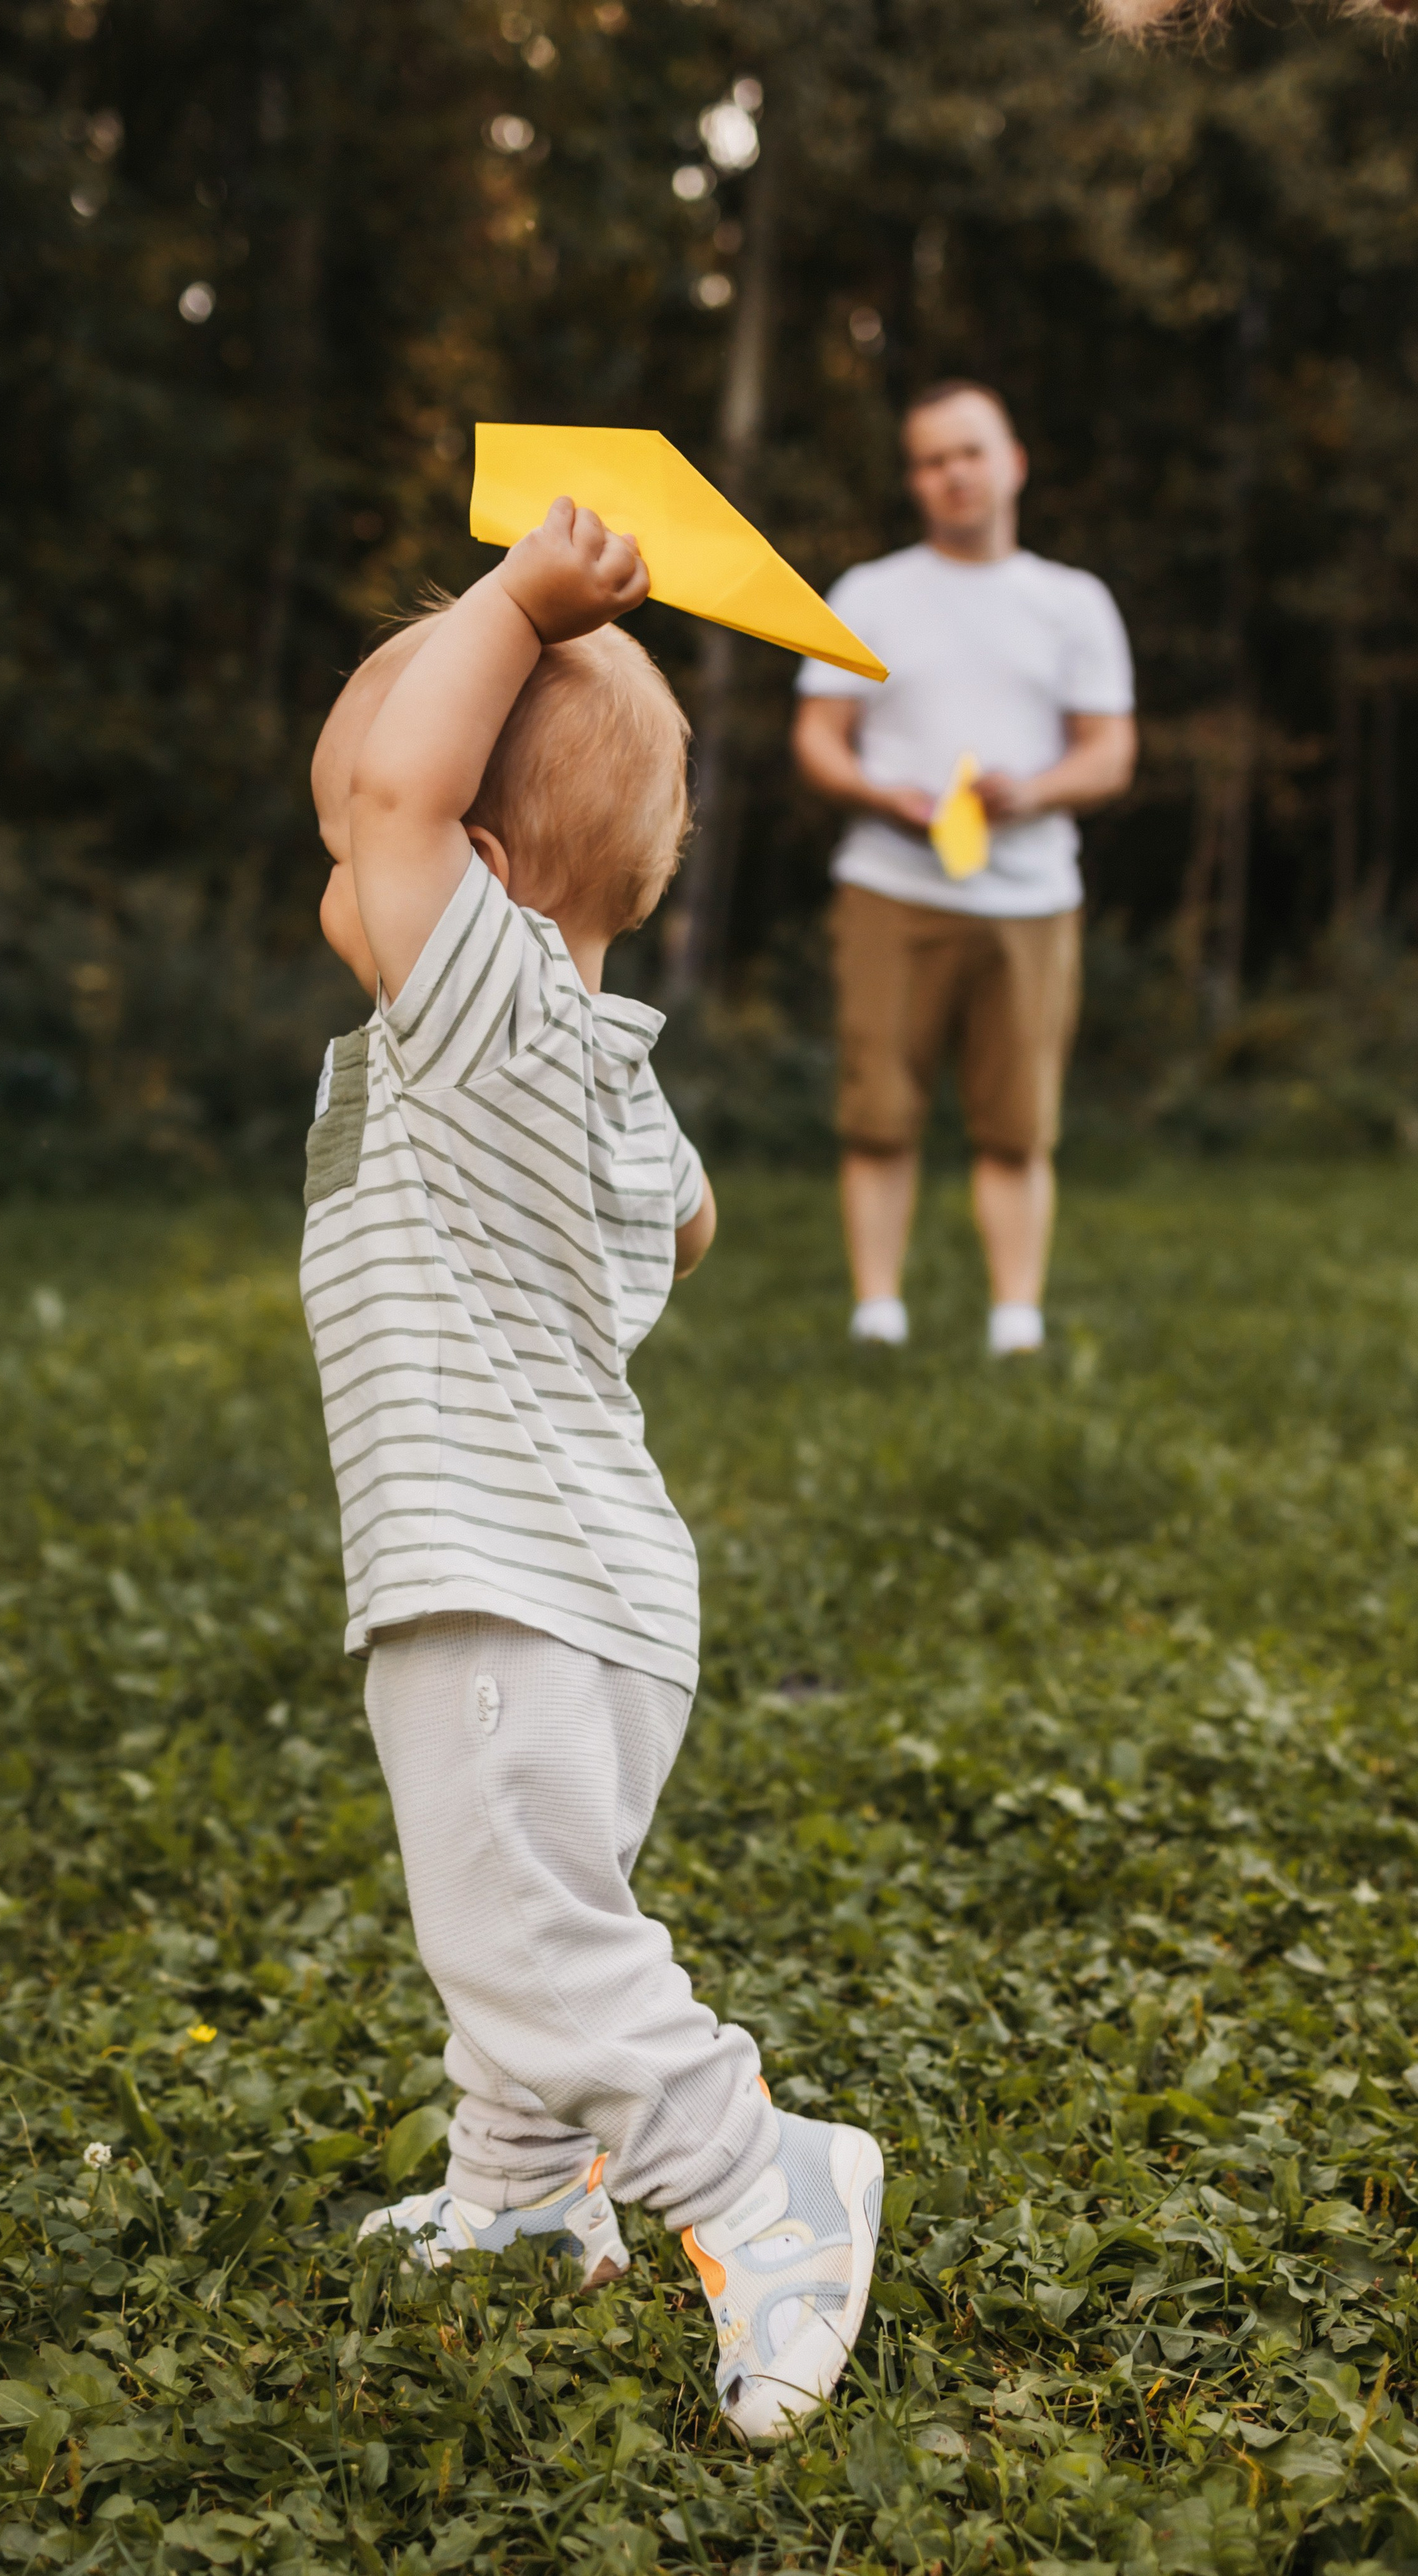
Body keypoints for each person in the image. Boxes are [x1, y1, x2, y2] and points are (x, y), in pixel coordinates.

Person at [300, 497, 884, 2444]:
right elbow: (694, 1219)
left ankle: (753, 2178)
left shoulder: (476, 1012)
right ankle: (527, 2196)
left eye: (359, 839)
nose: (346, 860)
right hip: (601, 1594)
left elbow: (399, 787)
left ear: (466, 859)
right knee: (526, 1901)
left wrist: (522, 601)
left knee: (522, 1929)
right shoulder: (582, 1058)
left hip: (511, 1584)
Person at [792, 381, 1136, 1355]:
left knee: (1019, 1126)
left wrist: (1031, 789)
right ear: (914, 480)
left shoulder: (1072, 603)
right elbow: (817, 736)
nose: (952, 474)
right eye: (931, 459)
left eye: (970, 452)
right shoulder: (867, 594)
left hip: (1031, 897)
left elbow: (1111, 753)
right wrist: (878, 793)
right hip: (890, 887)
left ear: (1014, 461)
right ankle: (877, 1317)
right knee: (878, 1114)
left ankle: (1016, 1320)